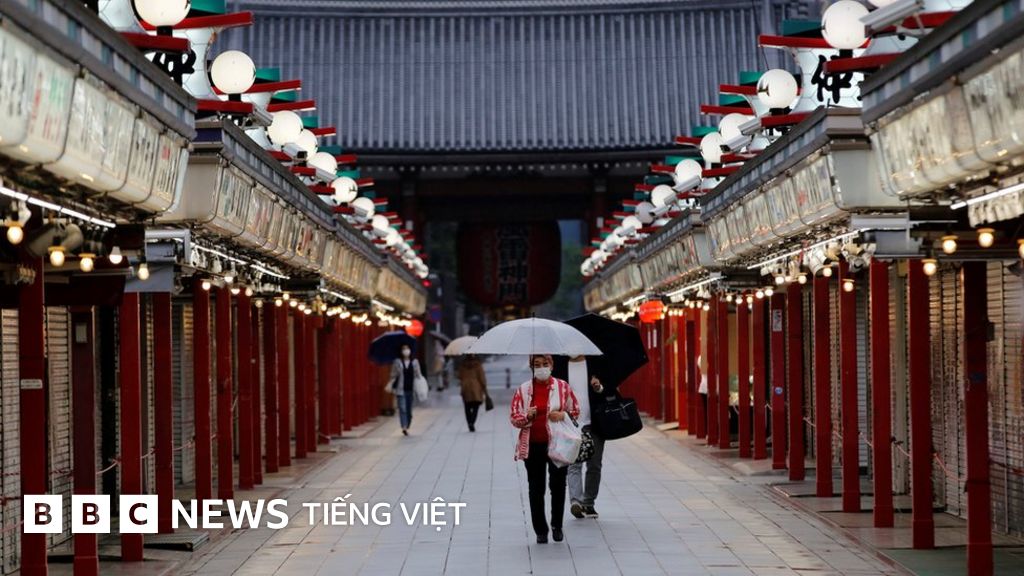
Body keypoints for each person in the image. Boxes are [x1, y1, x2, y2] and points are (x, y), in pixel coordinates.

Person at [509, 354, 579, 544]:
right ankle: (540, 529)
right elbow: (514, 417)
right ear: (531, 367)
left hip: (558, 443)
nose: (541, 368)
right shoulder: (524, 390)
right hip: (533, 445)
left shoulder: (562, 387)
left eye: (545, 364)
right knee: (536, 487)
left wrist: (562, 415)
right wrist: (527, 416)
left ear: (552, 365)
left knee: (558, 485)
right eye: (537, 365)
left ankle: (557, 525)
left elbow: (575, 410)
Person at [564, 355, 606, 519]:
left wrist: (599, 387)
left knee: (594, 465)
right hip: (571, 423)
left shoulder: (596, 364)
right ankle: (576, 501)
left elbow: (608, 390)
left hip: (595, 423)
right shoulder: (560, 366)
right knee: (574, 464)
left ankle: (588, 503)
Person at [388, 344, 424, 436]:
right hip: (401, 389)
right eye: (404, 349)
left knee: (409, 410)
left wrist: (417, 373)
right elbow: (393, 375)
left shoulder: (414, 362)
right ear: (401, 351)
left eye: (407, 348)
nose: (406, 350)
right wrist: (394, 378)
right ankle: (404, 426)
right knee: (402, 408)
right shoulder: (397, 362)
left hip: (411, 389)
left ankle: (407, 424)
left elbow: (418, 375)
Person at [457, 355, 488, 432]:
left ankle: (469, 422)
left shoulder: (462, 365)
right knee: (476, 406)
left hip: (465, 387)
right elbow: (482, 378)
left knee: (467, 407)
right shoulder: (478, 365)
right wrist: (484, 388)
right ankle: (472, 422)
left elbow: (459, 376)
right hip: (476, 387)